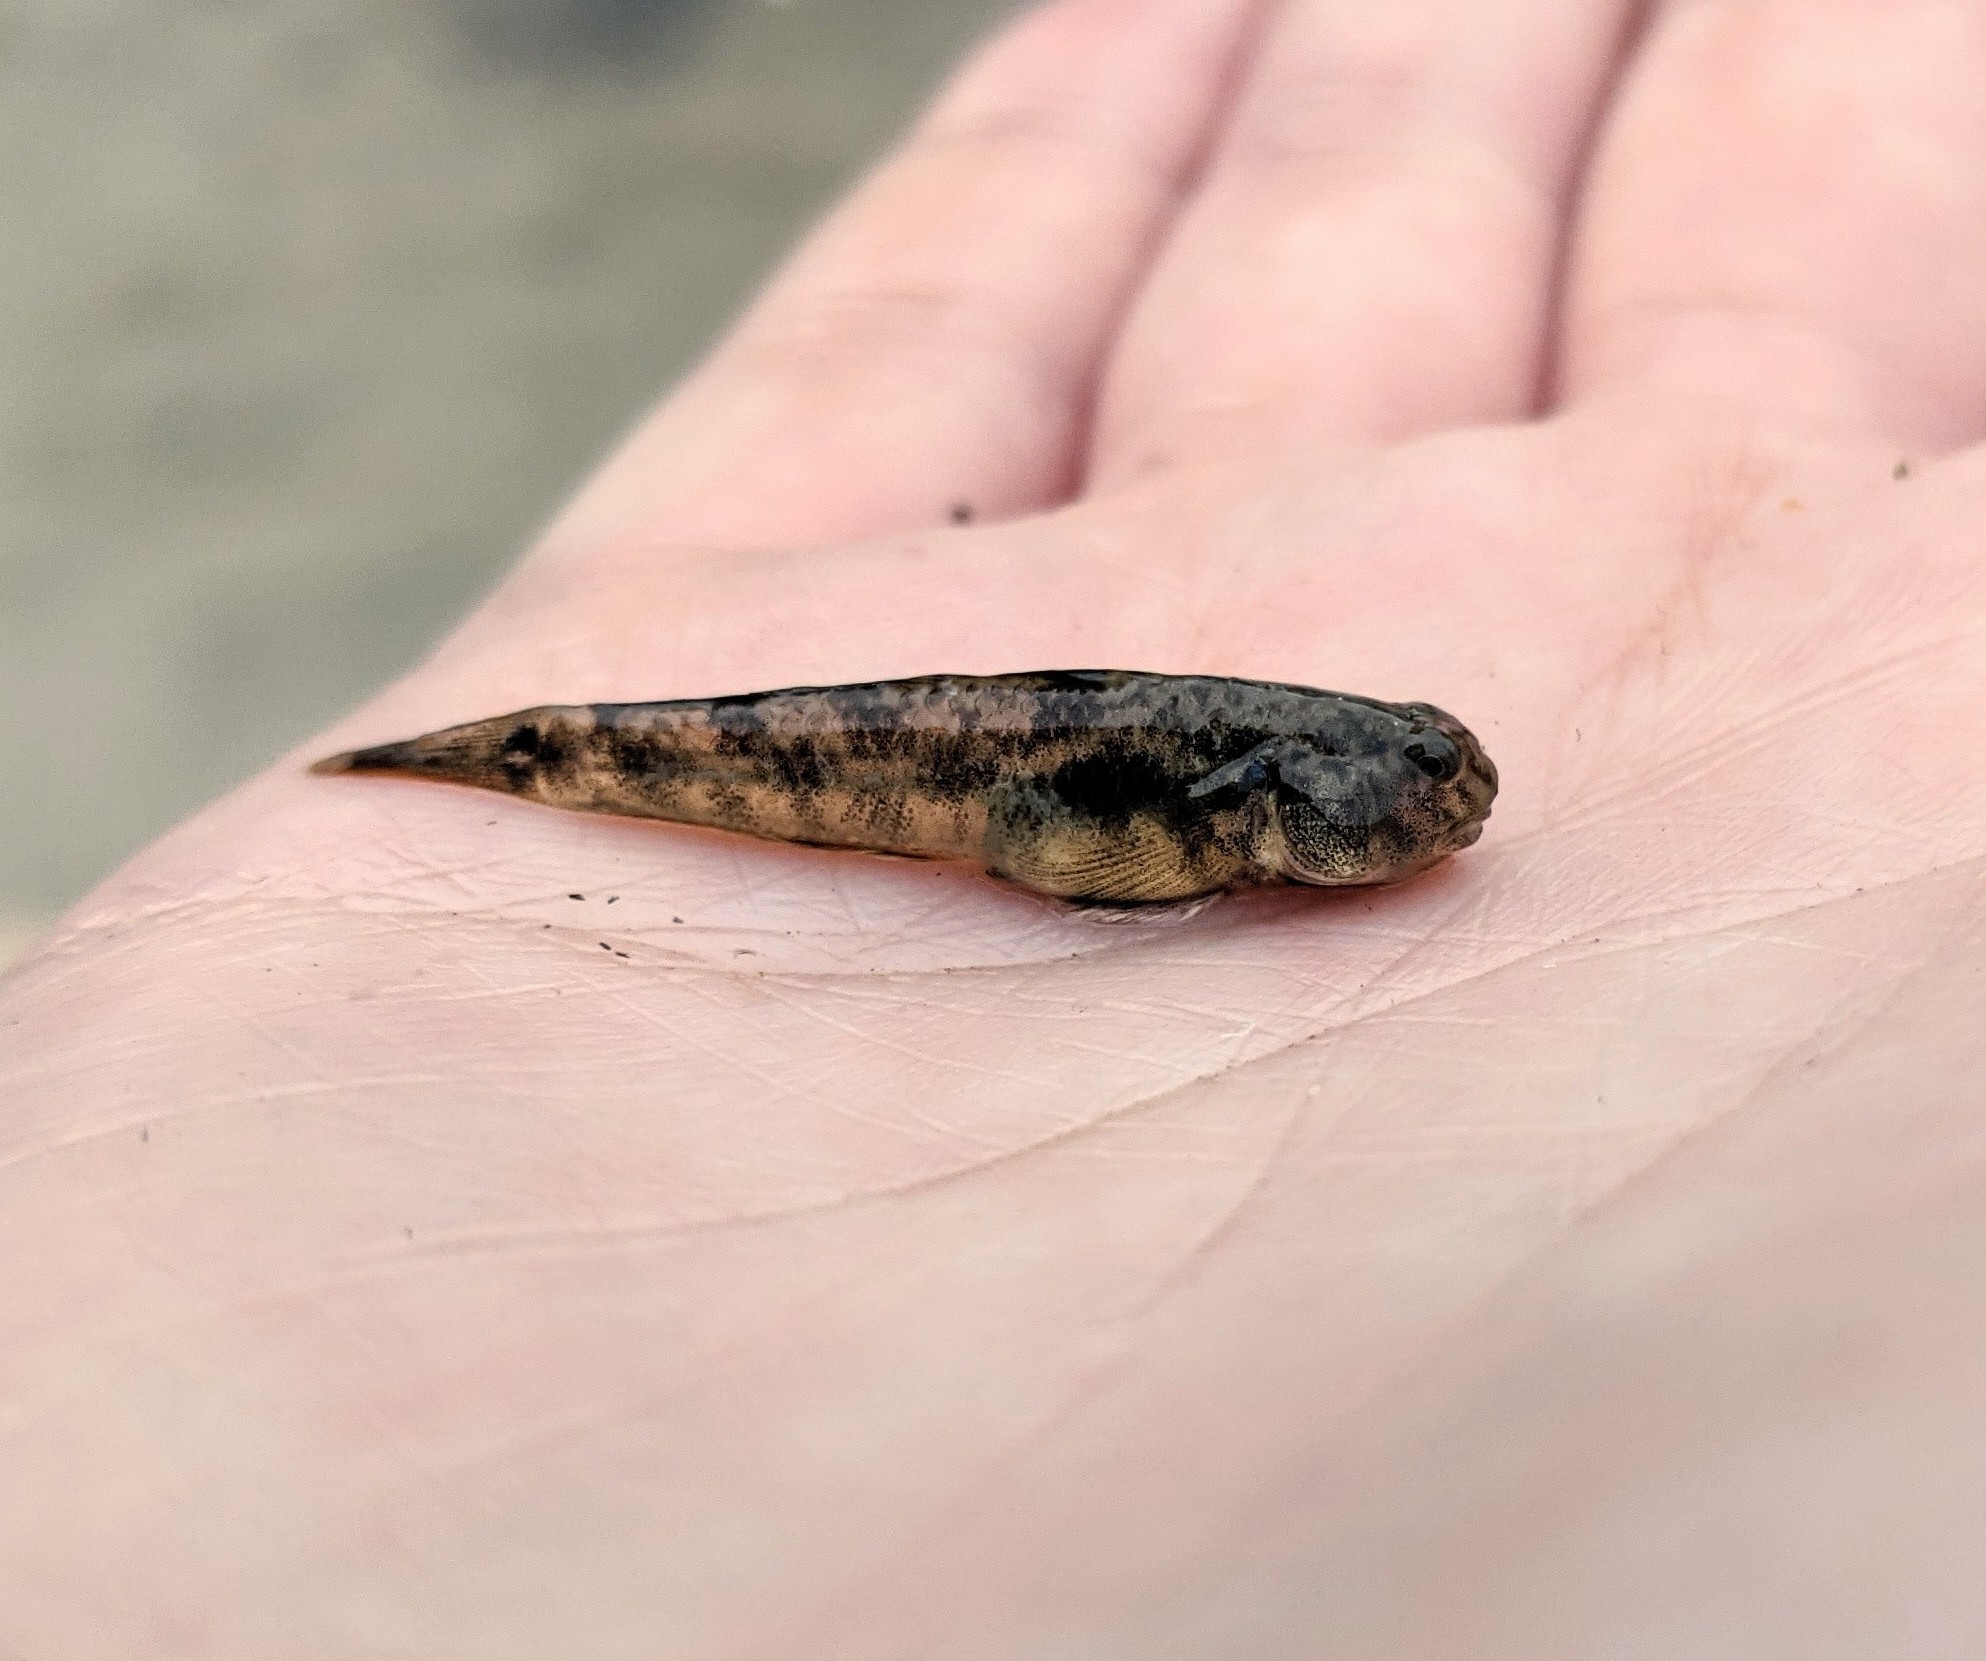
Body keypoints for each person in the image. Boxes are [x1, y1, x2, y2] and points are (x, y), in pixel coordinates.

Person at [7, 0, 1986, 1651]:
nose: (1449, 817)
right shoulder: (1215, 804)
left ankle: (497, 751)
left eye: (1434, 785)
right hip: (956, 754)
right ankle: (498, 756)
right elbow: (1064, 840)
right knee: (680, 752)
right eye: (1403, 801)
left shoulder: (1291, 786)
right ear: (1272, 811)